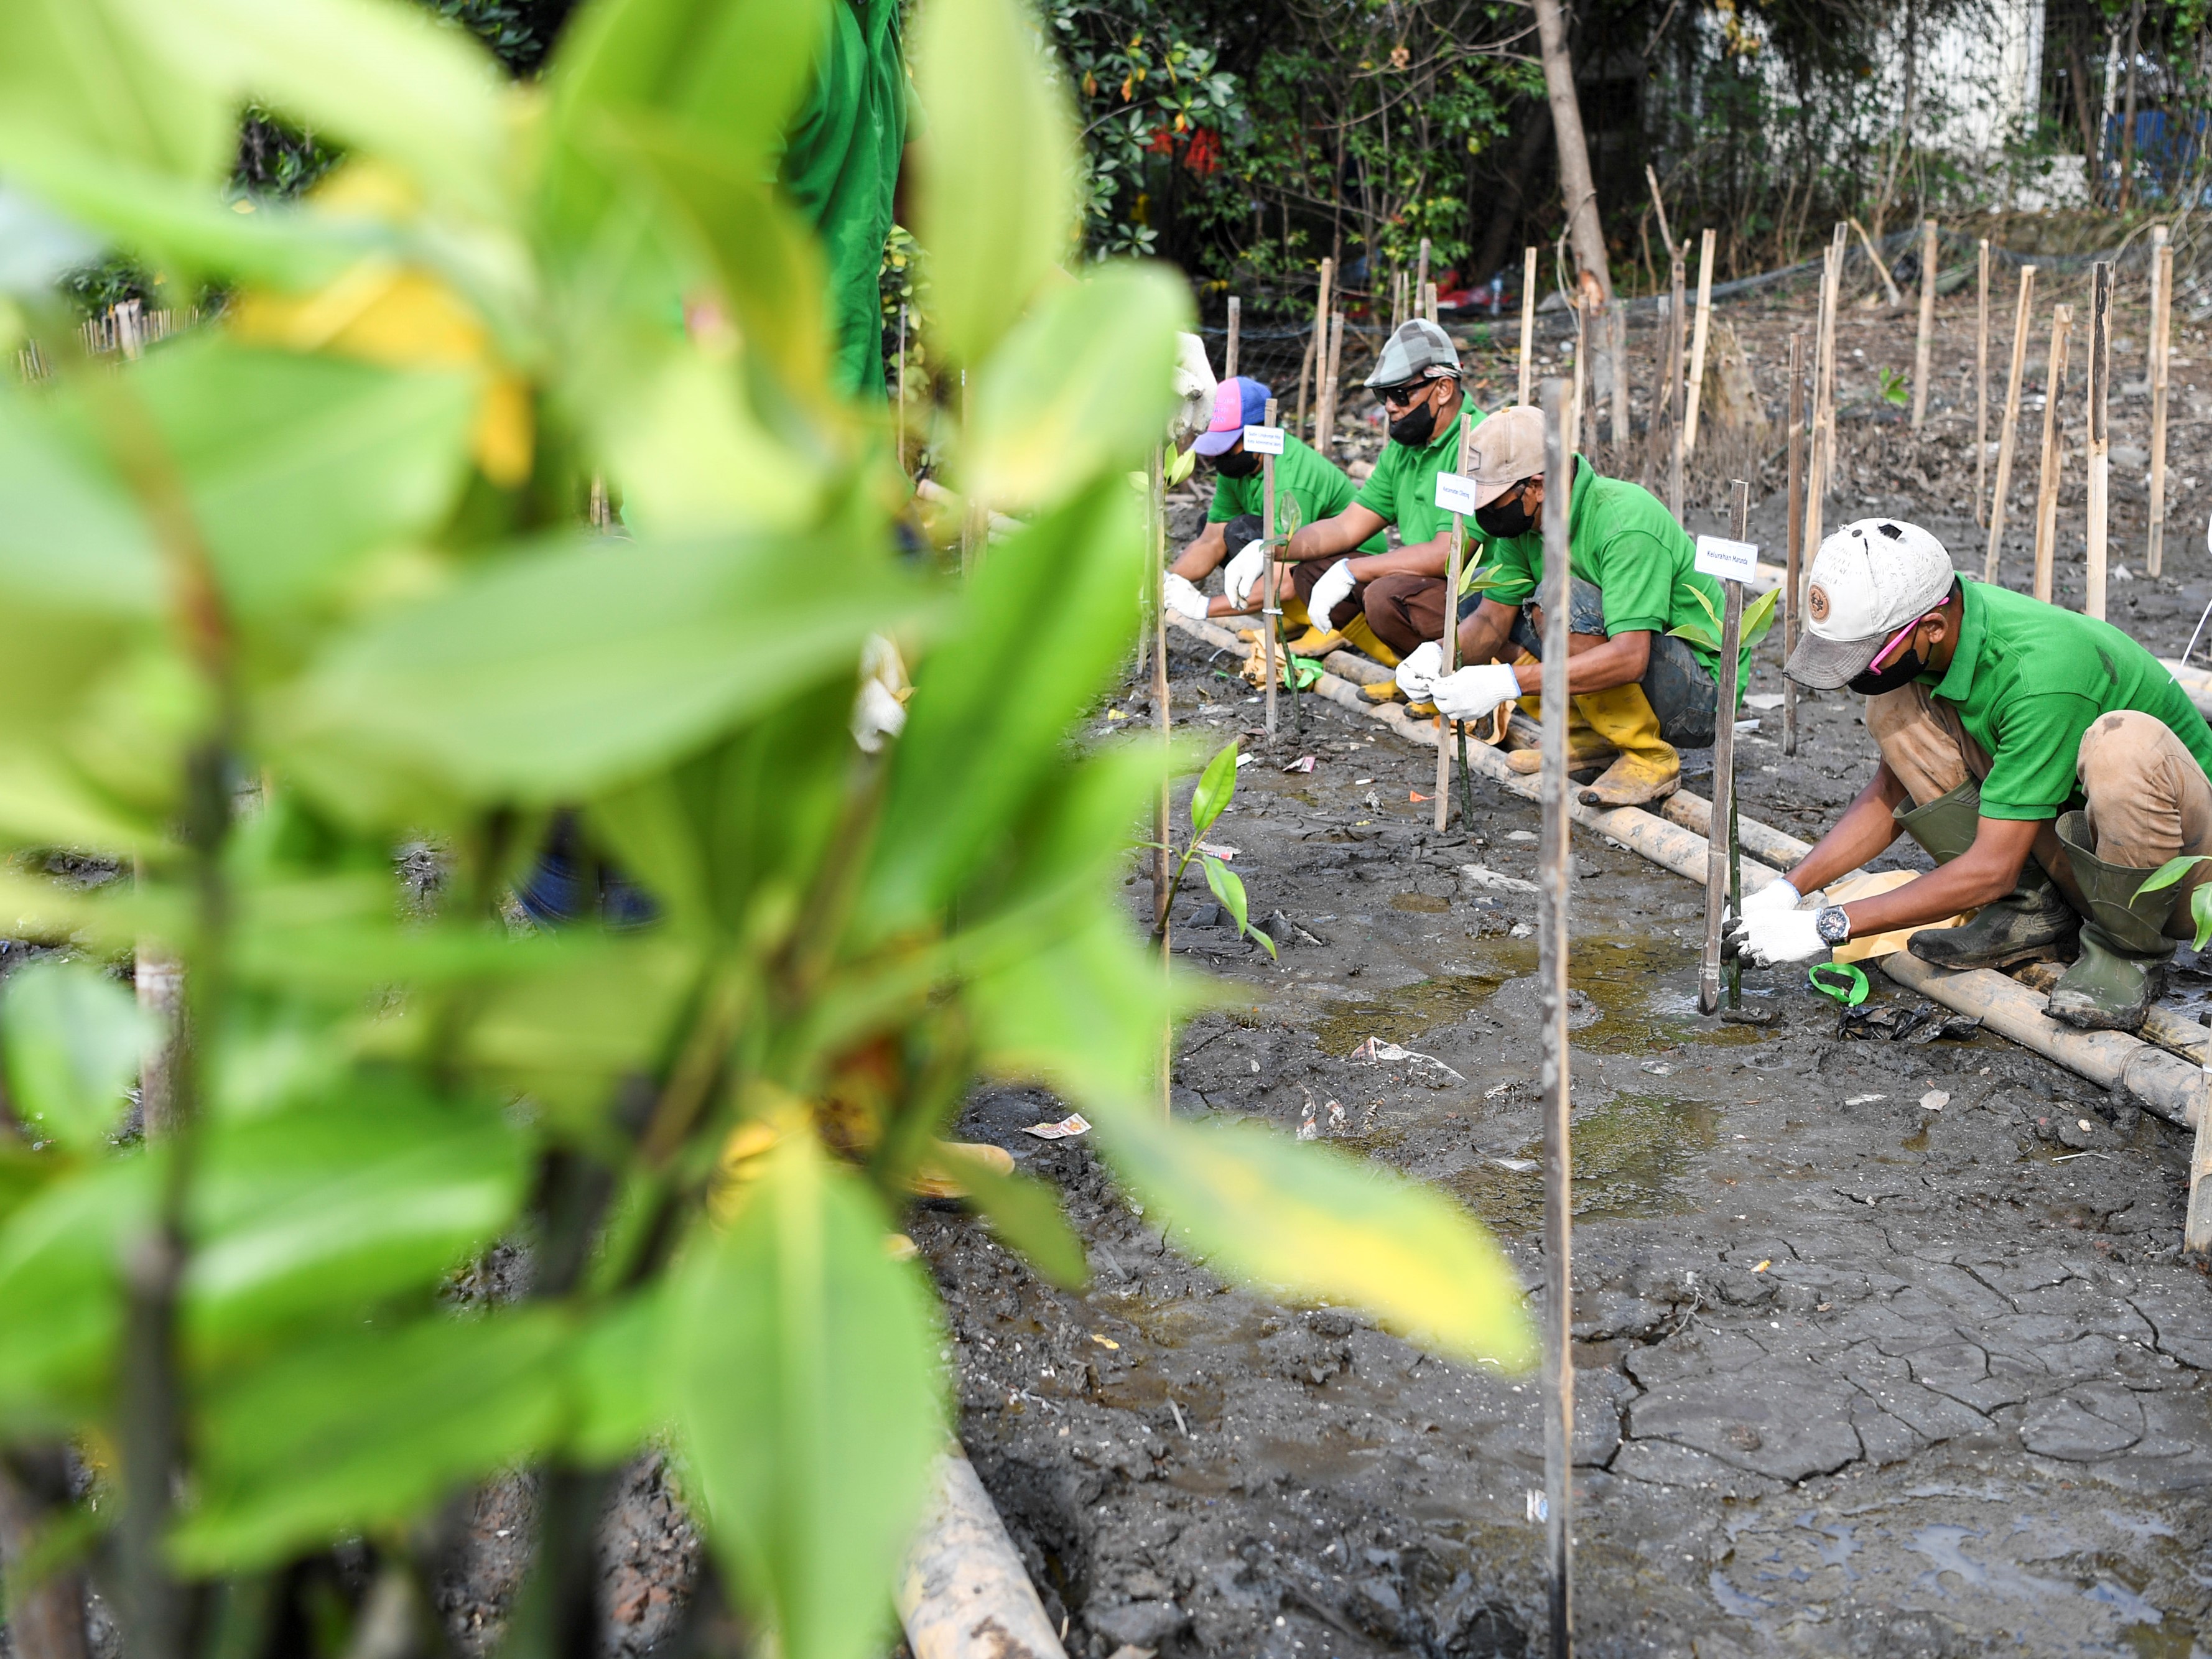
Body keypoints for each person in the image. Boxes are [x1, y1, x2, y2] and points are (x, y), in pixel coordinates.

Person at [1724, 519, 2212, 1033]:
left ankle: (2126, 952)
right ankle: (2032, 913)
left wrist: (1830, 925)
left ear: (1931, 627)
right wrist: (1788, 889)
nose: (1857, 676)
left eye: (1866, 656)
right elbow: (1891, 790)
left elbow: (1992, 866)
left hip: (2181, 877)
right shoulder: (1946, 633)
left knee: (2122, 744)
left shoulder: (2037, 676)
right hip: (2087, 847)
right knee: (1895, 703)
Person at [1401, 405, 1747, 809]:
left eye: (1491, 502)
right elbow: (1492, 621)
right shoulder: (1525, 523)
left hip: (1702, 694)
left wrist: (1503, 683)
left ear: (1538, 485)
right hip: (1642, 670)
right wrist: (1440, 654)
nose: (1483, 514)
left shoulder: (1623, 519)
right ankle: (1588, 738)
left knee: (1560, 597)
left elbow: (1630, 657)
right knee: (1489, 603)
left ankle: (1649, 758)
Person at [1273, 320, 1487, 671]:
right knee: (1312, 571)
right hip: (1425, 584)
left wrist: (1351, 570)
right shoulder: (1405, 449)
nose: (1389, 406)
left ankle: (1450, 677)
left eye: (1400, 394)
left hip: (1479, 599)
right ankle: (1405, 670)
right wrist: (1271, 547)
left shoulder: (1478, 443)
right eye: (1383, 396)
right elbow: (1346, 527)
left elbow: (1447, 555)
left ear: (1444, 388)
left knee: (1383, 594)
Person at [1159, 377, 1384, 627]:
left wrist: (1203, 607)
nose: (1219, 456)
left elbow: (1286, 575)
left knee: (1242, 532)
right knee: (1221, 529)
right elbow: (1211, 540)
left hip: (1350, 569)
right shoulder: (1238, 469)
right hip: (1290, 553)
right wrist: (1165, 584)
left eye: (1228, 445)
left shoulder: (1290, 479)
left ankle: (1312, 622)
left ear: (1260, 433)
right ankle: (1284, 614)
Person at [780, 0, 918, 397]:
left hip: (850, 408)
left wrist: (1096, 325)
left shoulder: (875, 13)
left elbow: (932, 205)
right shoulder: (761, 24)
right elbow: (719, 269)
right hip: (776, 421)